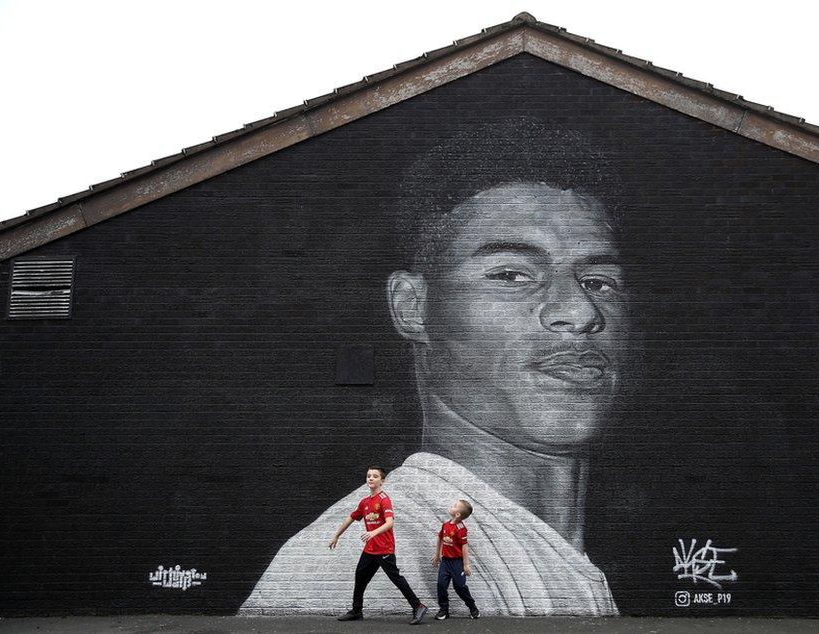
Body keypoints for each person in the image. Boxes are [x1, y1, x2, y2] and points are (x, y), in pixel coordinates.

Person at [239, 120, 630, 616]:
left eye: (599, 281)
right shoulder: (356, 567)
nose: (580, 312)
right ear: (413, 307)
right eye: (512, 275)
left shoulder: (564, 557)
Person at [330, 466, 428, 624]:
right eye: (368, 476)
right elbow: (350, 518)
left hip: (384, 548)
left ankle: (418, 606)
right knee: (360, 577)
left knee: (395, 578)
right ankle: (356, 610)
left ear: (382, 481)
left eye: (375, 476)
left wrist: (373, 533)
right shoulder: (365, 502)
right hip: (370, 549)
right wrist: (337, 535)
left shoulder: (384, 499)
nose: (370, 478)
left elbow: (390, 523)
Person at [432, 499, 479, 620]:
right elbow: (440, 539)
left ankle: (472, 607)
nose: (451, 506)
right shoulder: (446, 525)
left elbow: (464, 546)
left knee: (459, 586)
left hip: (457, 562)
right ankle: (444, 610)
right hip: (445, 562)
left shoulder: (461, 528)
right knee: (441, 585)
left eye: (454, 506)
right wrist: (437, 555)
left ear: (457, 514)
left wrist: (466, 564)